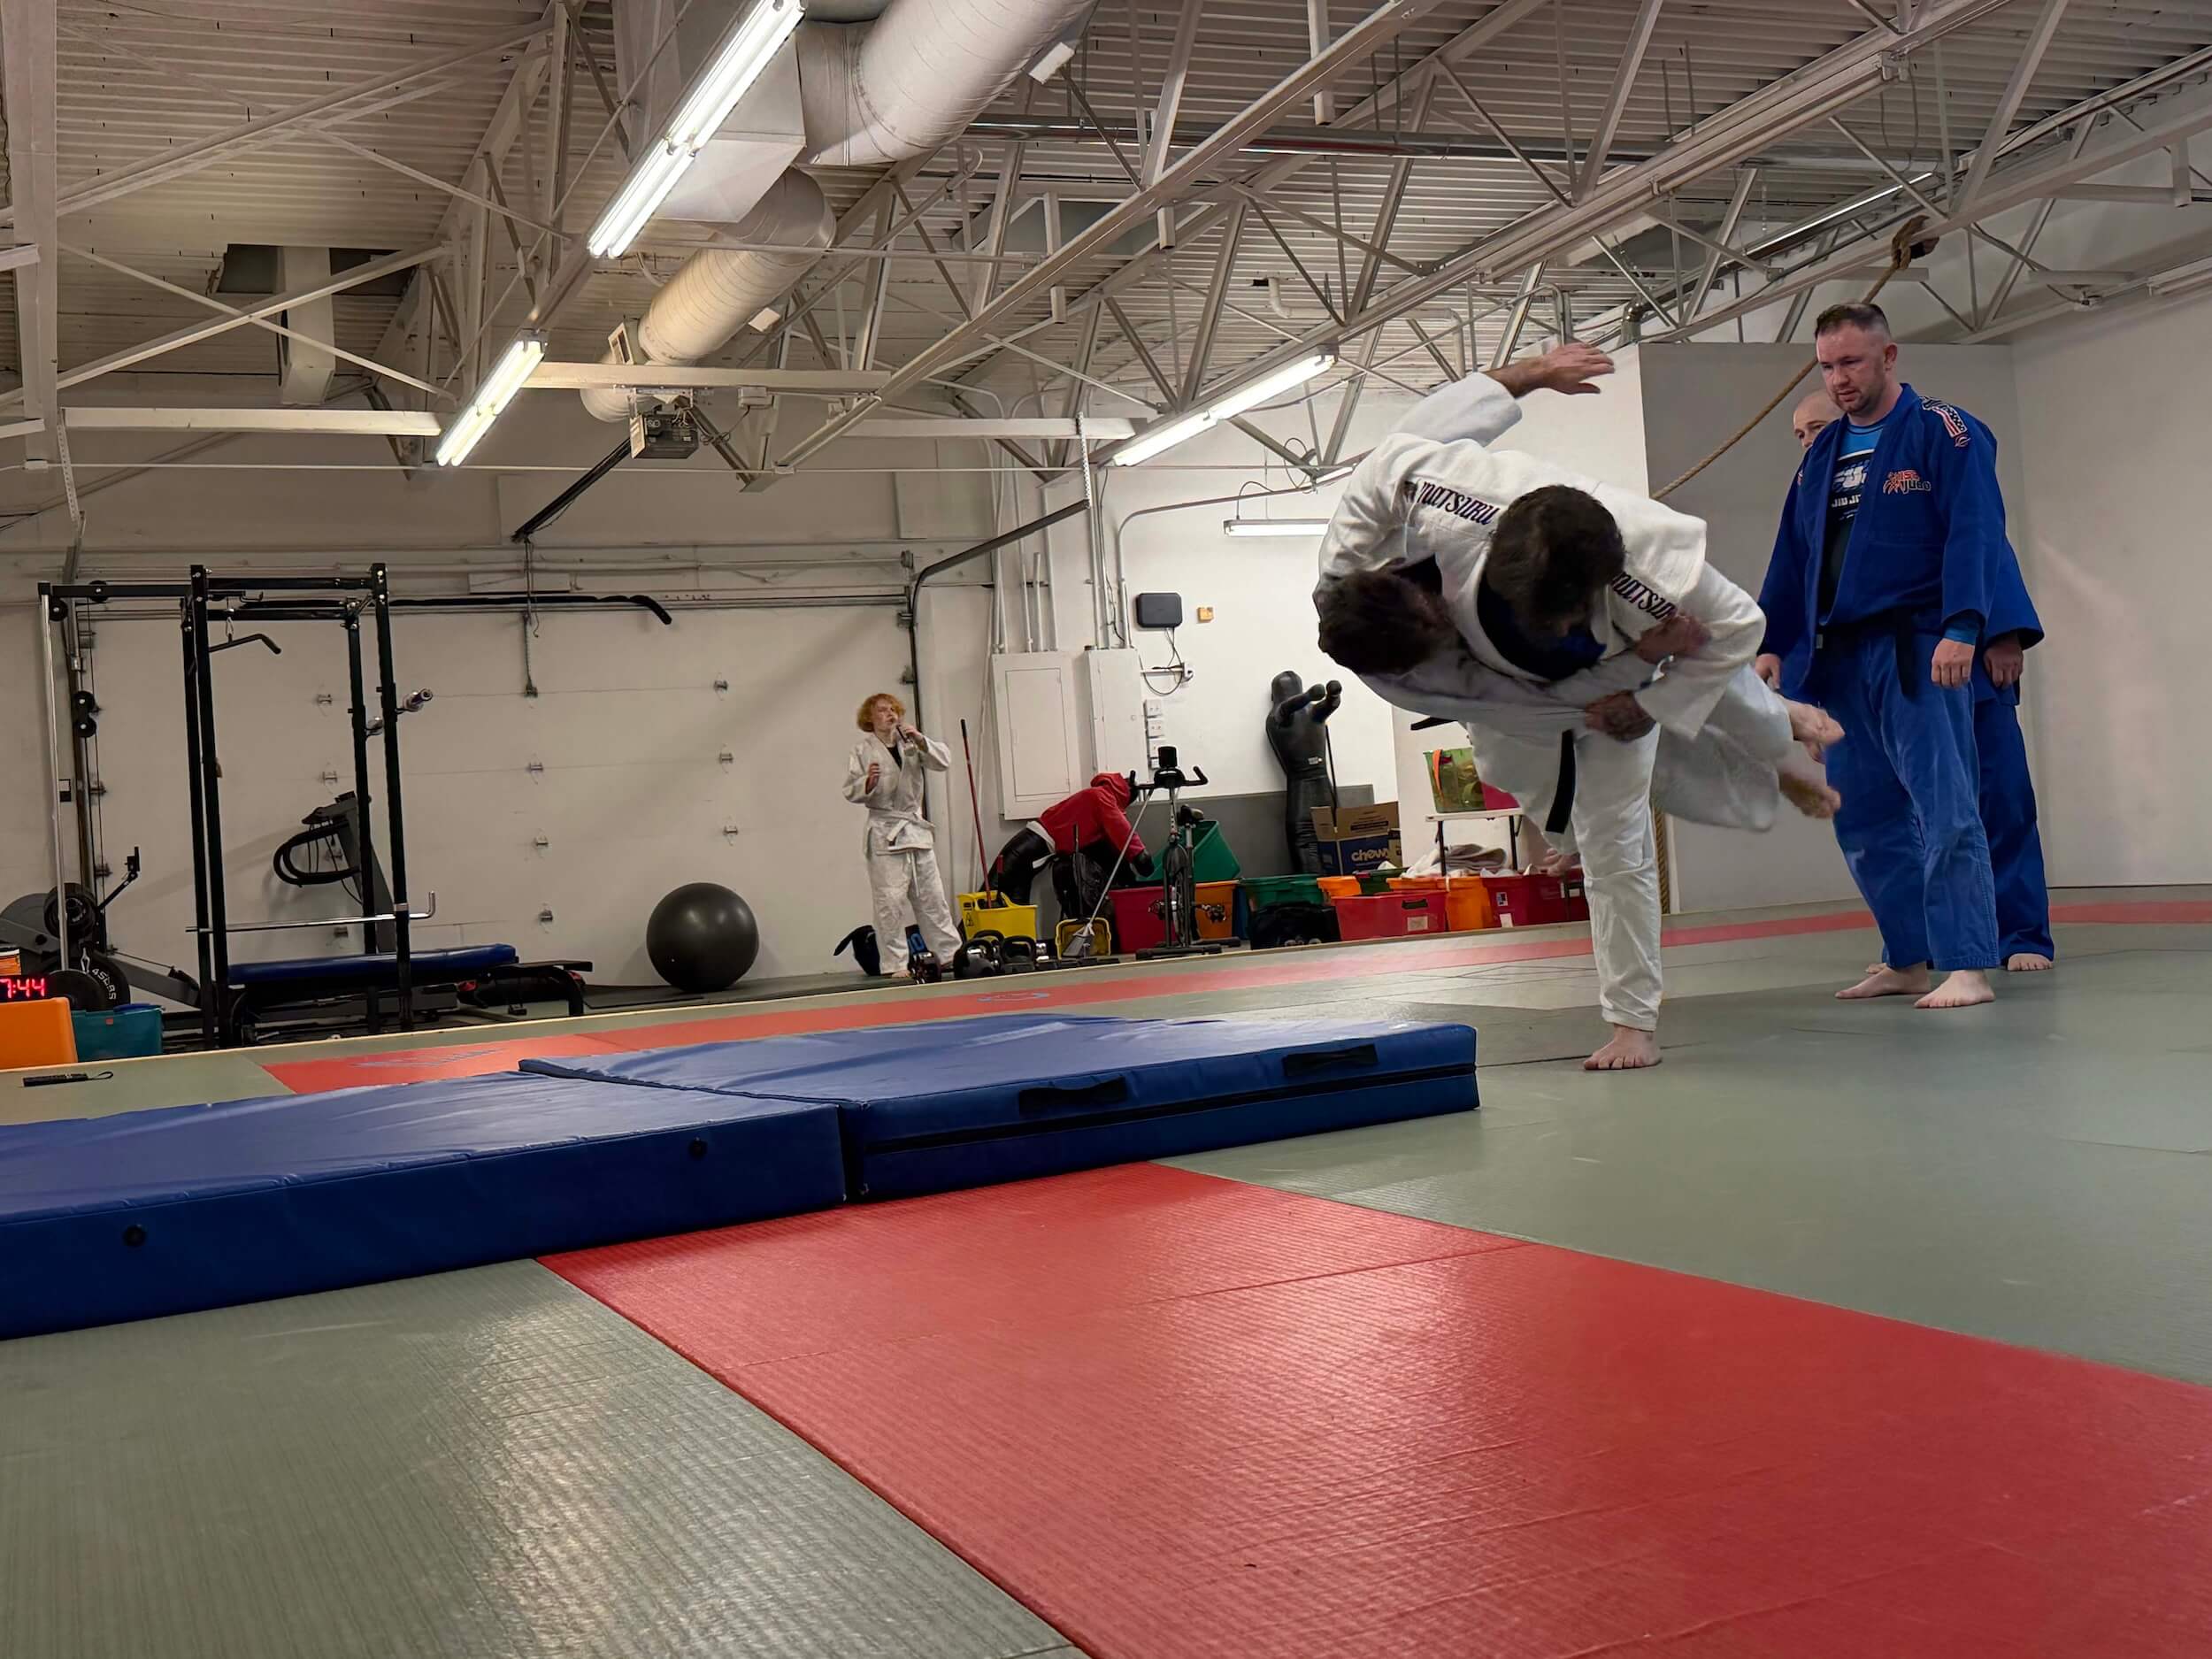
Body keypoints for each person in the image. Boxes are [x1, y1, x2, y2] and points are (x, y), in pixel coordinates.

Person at [1316, 342, 1843, 1071]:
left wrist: (1528, 373)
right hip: (1546, 698)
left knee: (1693, 699)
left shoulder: (1642, 555)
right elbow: (1547, 708)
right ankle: (1776, 733)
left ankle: (1778, 728)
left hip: (1619, 641)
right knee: (1605, 825)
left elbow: (1736, 628)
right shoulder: (1409, 661)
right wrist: (1639, 673)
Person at [1758, 303, 2026, 1010]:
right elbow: (1794, 554)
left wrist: (1964, 625)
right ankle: (1908, 956)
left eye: (1851, 361)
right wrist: (1772, 642)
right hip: (1842, 655)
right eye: (1826, 366)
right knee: (1863, 814)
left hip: (1920, 644)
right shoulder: (1821, 455)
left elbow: (1976, 531)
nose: (1839, 378)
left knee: (1946, 806)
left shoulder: (1945, 429)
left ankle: (1968, 964)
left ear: (1889, 355)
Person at [1789, 389, 2053, 972]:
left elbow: (1984, 545)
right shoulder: (1824, 496)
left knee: (1998, 795)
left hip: (1964, 654)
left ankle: (2023, 934)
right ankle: (1918, 946)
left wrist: (2004, 633)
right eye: (1800, 435)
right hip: (1880, 666)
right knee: (1897, 807)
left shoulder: (1922, 461)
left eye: (1817, 428)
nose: (1809, 442)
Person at [843, 692, 962, 978]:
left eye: (894, 709)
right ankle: (895, 963)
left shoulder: (910, 742)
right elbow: (850, 790)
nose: (890, 714)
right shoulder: (863, 750)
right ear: (869, 718)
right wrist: (868, 783)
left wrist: (921, 739)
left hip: (915, 830)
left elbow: (943, 761)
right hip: (885, 832)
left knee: (932, 896)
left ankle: (948, 954)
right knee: (890, 902)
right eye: (883, 710)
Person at [987, 772, 1156, 920]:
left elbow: (1109, 847)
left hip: (1034, 843)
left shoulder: (1096, 797)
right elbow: (1124, 833)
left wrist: (1129, 878)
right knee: (990, 896)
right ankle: (978, 941)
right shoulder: (1103, 798)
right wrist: (1141, 857)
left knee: (1015, 903)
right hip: (1035, 843)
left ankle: (1016, 944)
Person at [1266, 672, 1342, 873]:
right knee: (1324, 849)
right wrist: (1315, 697)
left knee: (1325, 849)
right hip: (1315, 789)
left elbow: (1327, 706)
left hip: (1309, 791)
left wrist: (1331, 697)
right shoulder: (1281, 716)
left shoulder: (1311, 713)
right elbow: (1287, 708)